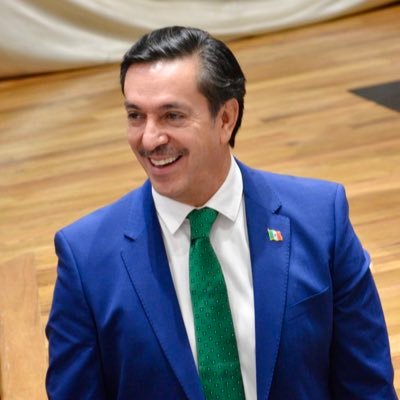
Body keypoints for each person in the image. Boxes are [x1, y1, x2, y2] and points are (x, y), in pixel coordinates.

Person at [46, 26, 397, 400]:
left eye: (172, 116)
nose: (149, 139)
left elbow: (367, 387)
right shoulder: (84, 258)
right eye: (136, 115)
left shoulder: (322, 218)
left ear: (226, 118)